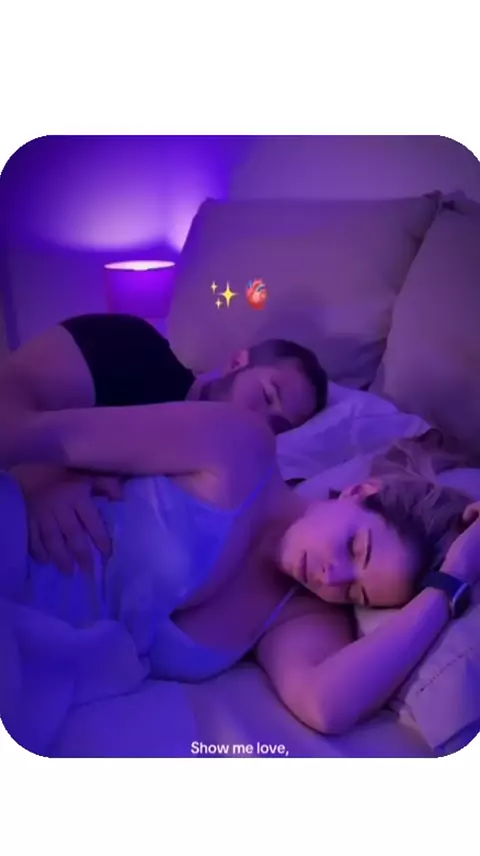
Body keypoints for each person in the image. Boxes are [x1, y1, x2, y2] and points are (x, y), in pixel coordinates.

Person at [1, 399, 479, 736]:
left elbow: (326, 705)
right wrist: (43, 479)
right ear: (360, 492)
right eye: (355, 549)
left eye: (357, 594)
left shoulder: (302, 613)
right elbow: (23, 433)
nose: (331, 578)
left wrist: (450, 583)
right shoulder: (237, 447)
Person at [0, 313, 327, 571]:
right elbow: (10, 387)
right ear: (237, 362)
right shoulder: (134, 347)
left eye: (278, 425)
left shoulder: (230, 486)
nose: (262, 422)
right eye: (267, 395)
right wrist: (42, 476)